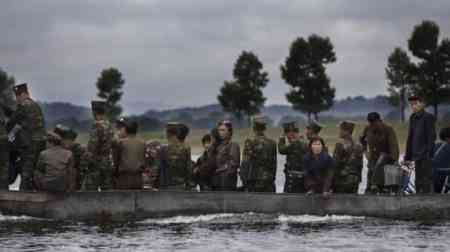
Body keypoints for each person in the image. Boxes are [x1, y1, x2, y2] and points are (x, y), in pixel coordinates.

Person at [7, 83, 46, 190]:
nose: (17, 99)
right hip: (40, 144)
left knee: (26, 172)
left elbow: (12, 120)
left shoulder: (24, 105)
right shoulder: (35, 105)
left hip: (30, 144)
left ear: (24, 94)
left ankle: (24, 197)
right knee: (34, 171)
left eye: (18, 96)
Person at [404, 95, 436, 193]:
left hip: (425, 154)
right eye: (412, 104)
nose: (413, 106)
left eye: (416, 104)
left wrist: (429, 153)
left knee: (426, 180)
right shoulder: (412, 117)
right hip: (416, 155)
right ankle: (418, 202)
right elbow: (411, 137)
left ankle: (429, 202)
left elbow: (431, 136)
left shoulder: (428, 117)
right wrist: (408, 156)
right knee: (418, 180)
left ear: (422, 104)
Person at [361, 112, 400, 193]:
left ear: (379, 120)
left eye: (374, 122)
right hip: (373, 160)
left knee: (388, 188)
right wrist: (365, 151)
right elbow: (361, 139)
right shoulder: (368, 128)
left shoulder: (388, 129)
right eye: (370, 123)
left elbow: (394, 148)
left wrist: (394, 162)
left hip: (387, 161)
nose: (373, 125)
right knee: (370, 188)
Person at [240, 116, 277, 192]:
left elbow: (245, 163)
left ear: (254, 129)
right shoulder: (272, 143)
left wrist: (244, 181)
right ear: (264, 129)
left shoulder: (250, 143)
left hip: (254, 181)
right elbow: (274, 164)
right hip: (269, 181)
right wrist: (272, 178)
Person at [84, 101, 114, 191]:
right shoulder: (108, 124)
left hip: (96, 163)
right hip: (107, 161)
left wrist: (86, 162)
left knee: (90, 191)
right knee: (107, 190)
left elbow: (93, 145)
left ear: (94, 111)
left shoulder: (97, 125)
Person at [112, 117, 146, 190]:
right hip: (138, 178)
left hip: (124, 178)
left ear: (126, 130)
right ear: (136, 130)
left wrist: (114, 174)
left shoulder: (120, 143)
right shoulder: (143, 143)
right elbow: (144, 161)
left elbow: (116, 161)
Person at [158, 122, 193, 190]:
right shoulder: (186, 148)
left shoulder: (163, 149)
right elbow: (188, 169)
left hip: (166, 186)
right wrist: (189, 185)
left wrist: (154, 185)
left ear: (167, 134)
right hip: (181, 185)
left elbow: (158, 169)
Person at [333, 121, 363, 193]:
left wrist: (332, 183)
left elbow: (335, 165)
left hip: (342, 181)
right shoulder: (359, 145)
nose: (339, 132)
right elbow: (360, 165)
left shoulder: (340, 145)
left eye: (341, 130)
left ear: (347, 131)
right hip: (355, 180)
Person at [54, 125, 88, 191]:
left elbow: (82, 169)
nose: (62, 142)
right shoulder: (58, 150)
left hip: (75, 182)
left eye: (64, 140)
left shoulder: (79, 150)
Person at [278, 121, 308, 193]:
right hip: (300, 177)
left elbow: (281, 150)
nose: (287, 136)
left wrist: (281, 139)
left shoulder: (294, 143)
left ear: (291, 133)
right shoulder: (303, 141)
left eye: (287, 133)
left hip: (295, 179)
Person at [211, 120, 240, 191]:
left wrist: (219, 169)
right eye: (219, 130)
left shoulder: (233, 145)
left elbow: (234, 163)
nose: (220, 132)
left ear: (229, 132)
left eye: (223, 130)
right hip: (216, 181)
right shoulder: (217, 146)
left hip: (227, 182)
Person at [431, 127, 450, 193]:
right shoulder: (448, 146)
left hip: (432, 174)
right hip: (443, 174)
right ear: (448, 138)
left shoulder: (435, 145)